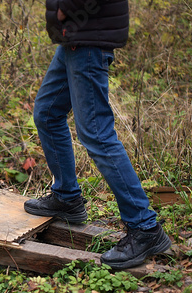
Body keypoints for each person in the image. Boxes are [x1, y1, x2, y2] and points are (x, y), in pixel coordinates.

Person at [23, 0, 171, 269]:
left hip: (88, 39)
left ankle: (145, 227)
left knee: (97, 134)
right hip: (75, 37)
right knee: (47, 114)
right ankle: (66, 198)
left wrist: (67, 8)